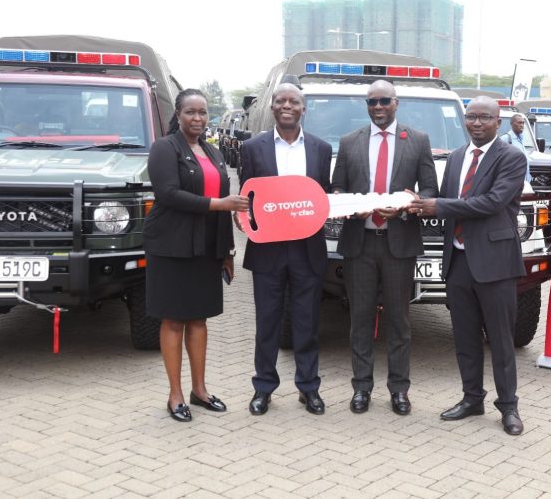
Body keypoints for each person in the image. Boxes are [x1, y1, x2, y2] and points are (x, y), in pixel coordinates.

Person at [409, 96, 527, 435]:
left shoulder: (512, 157)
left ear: (498, 122)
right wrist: (414, 202)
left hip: (495, 263)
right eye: (471, 116)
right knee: (464, 337)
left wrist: (438, 206)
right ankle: (472, 398)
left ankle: (508, 407)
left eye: (484, 117)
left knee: (501, 340)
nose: (476, 123)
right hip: (458, 260)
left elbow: (492, 202)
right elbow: (446, 199)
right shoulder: (457, 156)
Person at [331, 80, 438, 415]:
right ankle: (361, 388)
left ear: (396, 103)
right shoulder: (349, 142)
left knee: (399, 322)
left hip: (398, 244)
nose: (378, 107)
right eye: (371, 102)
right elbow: (337, 189)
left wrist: (408, 205)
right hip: (359, 244)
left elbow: (430, 190)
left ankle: (399, 390)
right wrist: (351, 207)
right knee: (360, 320)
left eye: (384, 101)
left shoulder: (417, 140)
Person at [144, 88, 248, 423]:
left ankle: (199, 390)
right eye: (191, 111)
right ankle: (175, 394)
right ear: (178, 114)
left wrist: (228, 251)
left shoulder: (213, 152)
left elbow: (224, 205)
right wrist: (219, 204)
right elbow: (168, 194)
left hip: (206, 247)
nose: (198, 118)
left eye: (203, 112)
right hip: (172, 246)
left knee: (199, 319)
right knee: (174, 319)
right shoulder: (164, 148)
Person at [239, 83, 332, 416]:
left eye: (294, 101)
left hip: (308, 249)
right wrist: (243, 219)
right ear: (273, 107)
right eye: (281, 101)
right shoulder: (252, 148)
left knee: (307, 322)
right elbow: (247, 196)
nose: (287, 106)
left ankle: (309, 388)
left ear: (304, 108)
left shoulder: (321, 149)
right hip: (268, 250)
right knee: (267, 323)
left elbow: (323, 197)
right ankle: (263, 388)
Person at [500, 113, 532, 183]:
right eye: (519, 123)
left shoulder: (521, 139)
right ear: (512, 124)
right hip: (511, 182)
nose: (522, 125)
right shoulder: (505, 139)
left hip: (524, 182)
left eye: (523, 123)